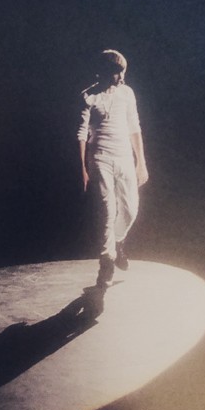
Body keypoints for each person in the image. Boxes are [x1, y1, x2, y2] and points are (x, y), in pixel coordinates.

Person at [77, 49, 148, 287]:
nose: (121, 77)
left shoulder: (127, 93)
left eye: (123, 72)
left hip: (124, 156)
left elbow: (134, 127)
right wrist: (83, 168)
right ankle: (106, 260)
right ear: (105, 72)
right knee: (107, 211)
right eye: (118, 73)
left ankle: (117, 242)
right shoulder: (88, 96)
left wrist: (141, 162)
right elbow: (81, 134)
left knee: (130, 209)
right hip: (100, 157)